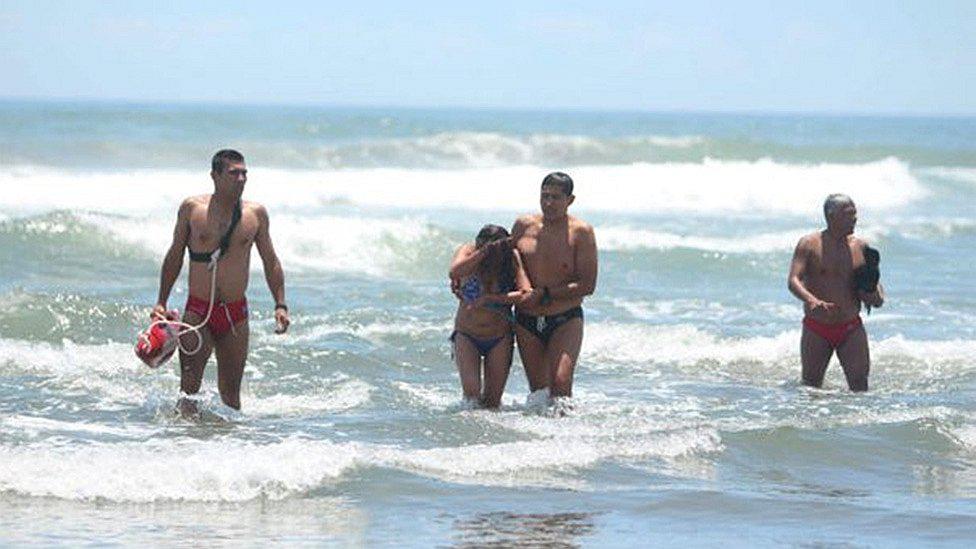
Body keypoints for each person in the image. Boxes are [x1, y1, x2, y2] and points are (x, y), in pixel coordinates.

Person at [152, 149, 290, 412]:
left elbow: (270, 260)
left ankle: (231, 448)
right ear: (214, 176)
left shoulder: (255, 214)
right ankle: (183, 445)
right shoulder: (192, 209)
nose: (241, 179)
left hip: (235, 314)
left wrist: (280, 304)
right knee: (189, 390)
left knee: (231, 395)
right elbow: (174, 255)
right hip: (198, 312)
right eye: (233, 173)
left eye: (244, 173)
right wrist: (161, 301)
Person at [511, 172, 598, 401]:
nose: (548, 203)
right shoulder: (523, 226)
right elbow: (508, 261)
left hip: (565, 318)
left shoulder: (581, 232)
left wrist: (546, 293)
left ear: (570, 200)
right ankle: (542, 437)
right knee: (539, 392)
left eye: (556, 197)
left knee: (560, 385)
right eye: (544, 196)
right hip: (526, 319)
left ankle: (568, 436)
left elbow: (587, 284)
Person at [788, 194, 884, 392]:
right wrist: (812, 300)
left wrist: (872, 294)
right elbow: (793, 280)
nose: (855, 218)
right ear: (831, 216)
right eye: (849, 214)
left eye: (855, 214)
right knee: (811, 388)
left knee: (860, 388)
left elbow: (877, 294)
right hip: (817, 328)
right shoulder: (809, 244)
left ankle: (859, 423)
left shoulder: (861, 247)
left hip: (850, 327)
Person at [448, 225, 531, 408]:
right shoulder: (469, 252)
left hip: (499, 337)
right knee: (472, 397)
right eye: (486, 249)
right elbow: (454, 272)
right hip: (467, 334)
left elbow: (525, 293)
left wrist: (489, 299)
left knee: (492, 402)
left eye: (496, 252)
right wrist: (483, 253)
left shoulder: (510, 258)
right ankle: (470, 434)